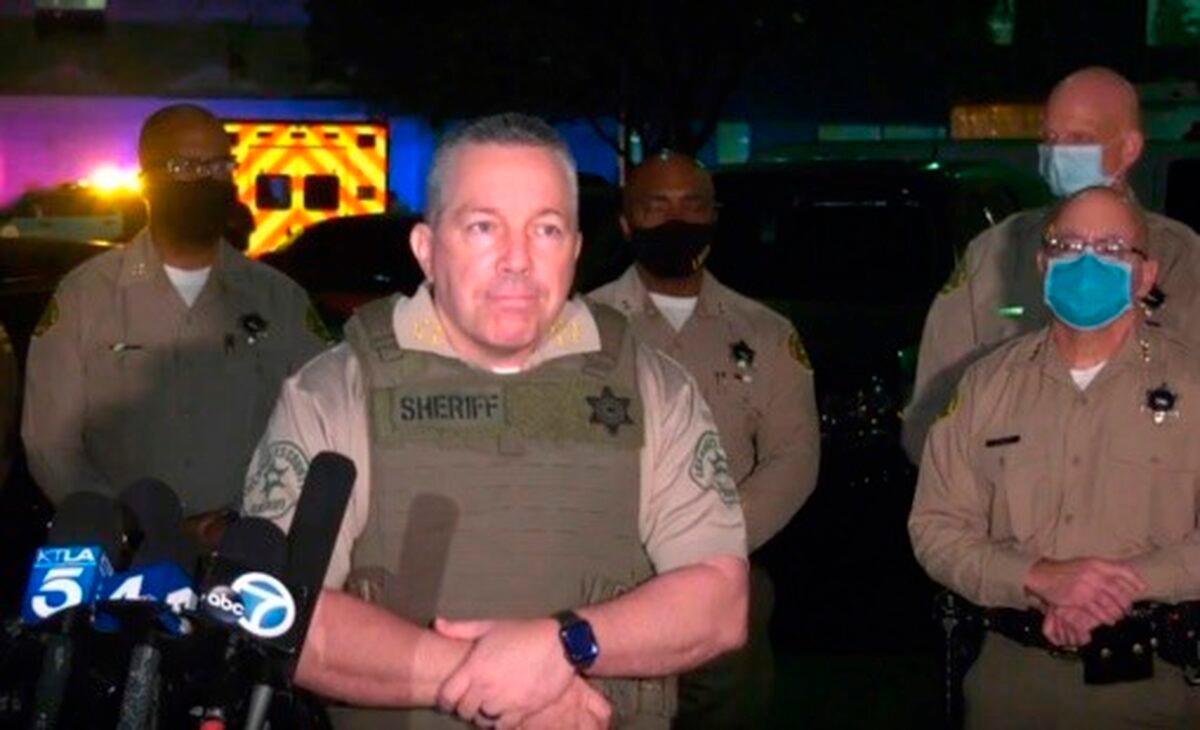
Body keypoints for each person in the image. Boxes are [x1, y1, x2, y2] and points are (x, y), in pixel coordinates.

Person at [242, 113, 749, 729]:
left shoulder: (654, 388)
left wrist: (566, 646)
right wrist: (505, 682)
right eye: (483, 227)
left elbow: (719, 600)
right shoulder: (332, 393)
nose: (517, 260)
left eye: (546, 230)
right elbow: (276, 609)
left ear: (575, 250)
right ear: (427, 249)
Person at [909, 186, 1200, 727]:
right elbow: (935, 527)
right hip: (1011, 684)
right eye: (1068, 245)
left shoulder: (1193, 383)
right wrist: (1038, 577)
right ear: (1043, 264)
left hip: (1154, 686)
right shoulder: (985, 385)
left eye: (1111, 248)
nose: (1086, 262)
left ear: (1146, 275)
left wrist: (1111, 587)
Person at [22, 103, 329, 539]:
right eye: (184, 166)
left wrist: (244, 522)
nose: (205, 179)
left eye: (219, 166)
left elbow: (321, 425)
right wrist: (125, 527)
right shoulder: (85, 297)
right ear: (146, 181)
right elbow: (49, 442)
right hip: (121, 555)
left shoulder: (280, 300)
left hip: (246, 550)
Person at [588, 150, 819, 727]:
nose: (676, 221)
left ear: (714, 217)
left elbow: (793, 458)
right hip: (605, 584)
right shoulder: (580, 330)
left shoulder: (765, 333)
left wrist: (708, 544)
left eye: (692, 206)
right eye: (656, 206)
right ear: (626, 222)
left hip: (725, 580)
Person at [902, 66, 1200, 462]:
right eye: (1051, 139)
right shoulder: (995, 252)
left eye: (1079, 139)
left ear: (1129, 148)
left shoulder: (1181, 256)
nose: (1059, 154)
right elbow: (934, 403)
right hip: (1015, 486)